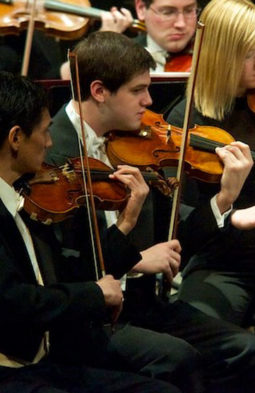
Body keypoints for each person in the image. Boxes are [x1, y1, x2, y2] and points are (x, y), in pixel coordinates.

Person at [46, 30, 255, 393]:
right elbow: (60, 265)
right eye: (137, 90)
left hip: (143, 304)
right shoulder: (51, 155)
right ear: (99, 91)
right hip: (90, 318)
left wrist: (223, 199)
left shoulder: (138, 142)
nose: (149, 100)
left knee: (243, 349)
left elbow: (179, 238)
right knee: (179, 358)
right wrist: (136, 258)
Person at [0, 70, 200, 393]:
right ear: (15, 138)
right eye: (44, 132)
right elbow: (15, 302)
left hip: (54, 350)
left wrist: (124, 225)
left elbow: (68, 275)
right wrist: (95, 293)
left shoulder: (25, 196)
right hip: (15, 367)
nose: (50, 143)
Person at [167, 0, 255, 329]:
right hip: (223, 264)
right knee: (199, 331)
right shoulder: (186, 121)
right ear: (223, 55)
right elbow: (181, 234)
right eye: (250, 53)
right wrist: (226, 202)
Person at [134, 0, 199, 72]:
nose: (181, 24)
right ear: (141, 9)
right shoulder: (123, 57)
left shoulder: (206, 54)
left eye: (189, 11)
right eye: (168, 12)